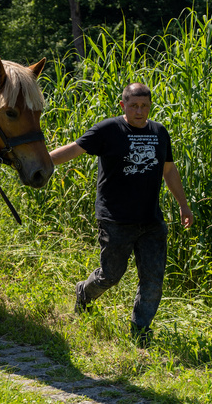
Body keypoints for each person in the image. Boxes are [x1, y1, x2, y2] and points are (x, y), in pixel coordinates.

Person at [49, 82, 193, 346]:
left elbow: (169, 170)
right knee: (110, 275)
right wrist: (41, 161)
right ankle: (84, 292)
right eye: (134, 105)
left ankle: (140, 331)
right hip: (115, 219)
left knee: (153, 280)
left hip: (150, 220)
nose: (140, 111)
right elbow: (75, 149)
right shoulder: (109, 129)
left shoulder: (159, 132)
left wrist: (183, 204)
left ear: (150, 106)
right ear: (123, 105)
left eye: (145, 106)